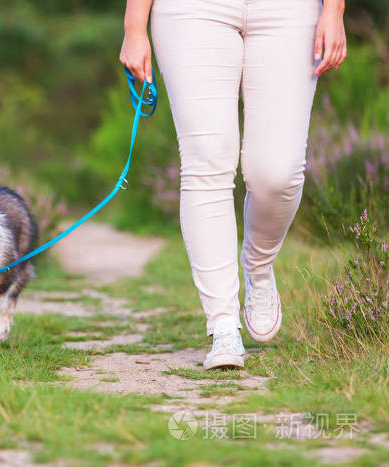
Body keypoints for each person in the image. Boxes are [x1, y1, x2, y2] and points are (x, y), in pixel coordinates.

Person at [120, 0, 346, 369]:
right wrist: (134, 27)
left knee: (277, 171)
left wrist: (334, 11)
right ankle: (223, 325)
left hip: (289, 11)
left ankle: (258, 263)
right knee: (206, 159)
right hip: (190, 12)